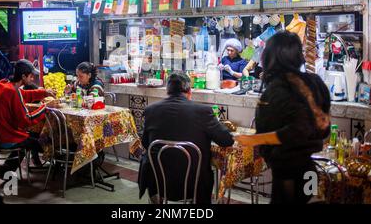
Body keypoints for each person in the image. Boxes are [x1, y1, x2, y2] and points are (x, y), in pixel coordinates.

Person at [235, 31, 331, 204]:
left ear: (271, 57)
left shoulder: (277, 90)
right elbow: (324, 130)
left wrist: (254, 139)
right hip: (310, 170)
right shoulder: (315, 82)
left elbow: (296, 132)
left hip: (288, 175)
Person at [138, 72, 234, 204]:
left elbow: (145, 143)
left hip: (159, 182)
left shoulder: (151, 110)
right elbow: (227, 141)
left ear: (167, 91)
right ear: (189, 91)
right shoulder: (203, 111)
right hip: (194, 184)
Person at [0, 59, 57, 178]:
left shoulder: (3, 84)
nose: (32, 79)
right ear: (23, 76)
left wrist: (44, 92)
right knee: (45, 141)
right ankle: (59, 169)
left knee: (32, 136)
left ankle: (4, 170)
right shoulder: (12, 91)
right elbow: (27, 120)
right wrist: (45, 107)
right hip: (7, 136)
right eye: (30, 76)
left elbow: (23, 95)